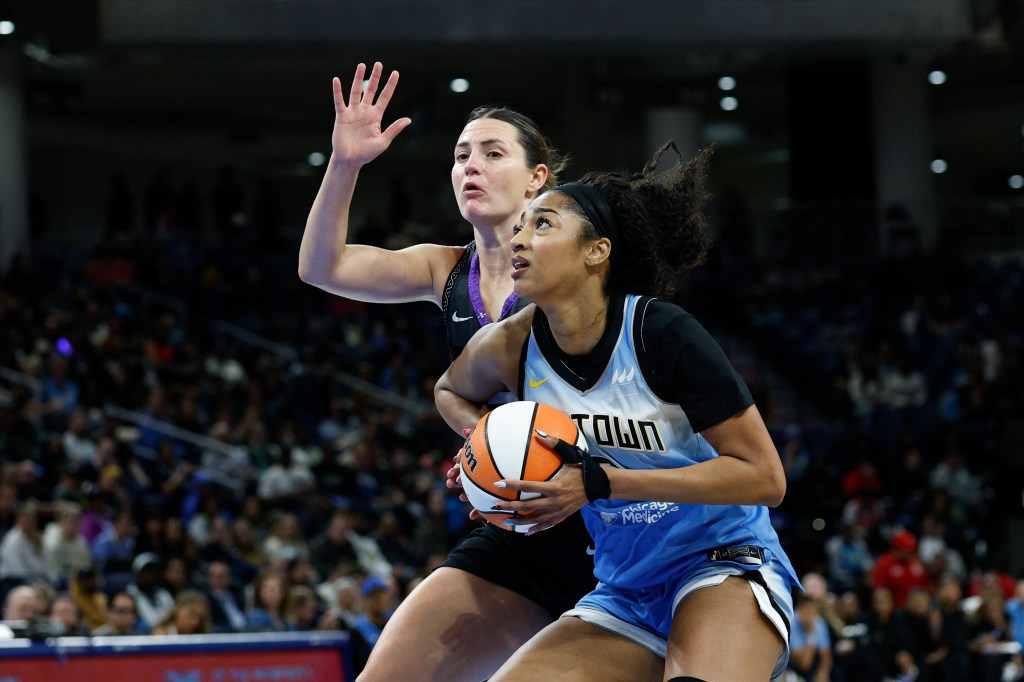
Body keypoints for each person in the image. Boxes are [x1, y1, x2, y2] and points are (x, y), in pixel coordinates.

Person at [433, 143, 801, 681]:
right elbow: (449, 389)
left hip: (723, 561)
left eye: (543, 224)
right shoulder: (511, 342)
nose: (519, 237)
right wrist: (483, 450)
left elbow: (765, 478)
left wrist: (602, 484)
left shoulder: (661, 332)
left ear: (596, 252)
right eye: (520, 228)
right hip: (624, 585)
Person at [298, 62, 602, 682]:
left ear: (537, 179)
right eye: (463, 155)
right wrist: (346, 165)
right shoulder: (444, 269)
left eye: (493, 154)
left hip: (614, 525)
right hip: (518, 533)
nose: (472, 166)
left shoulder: (579, 271)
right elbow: (321, 267)